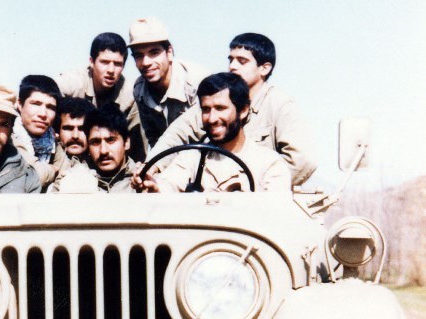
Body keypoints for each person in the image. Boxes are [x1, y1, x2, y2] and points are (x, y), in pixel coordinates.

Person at [145, 33, 316, 186]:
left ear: (264, 68)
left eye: (242, 61)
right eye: (231, 60)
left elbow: (302, 161)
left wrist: (260, 186)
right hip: (213, 194)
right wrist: (151, 168)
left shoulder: (280, 105)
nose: (233, 66)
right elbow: (176, 136)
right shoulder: (213, 104)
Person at [135, 73, 290, 194]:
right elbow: (168, 184)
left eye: (220, 108)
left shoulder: (270, 164)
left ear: (243, 111)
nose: (212, 118)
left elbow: (272, 213)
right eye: (206, 110)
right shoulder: (192, 158)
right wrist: (153, 186)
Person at [58, 32, 145, 161]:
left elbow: (136, 144)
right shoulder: (70, 84)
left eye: (117, 64)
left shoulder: (130, 95)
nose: (111, 70)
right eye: (104, 62)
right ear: (91, 62)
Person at [129, 16, 206, 149]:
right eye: (139, 55)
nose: (146, 62)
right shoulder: (139, 90)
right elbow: (153, 138)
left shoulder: (196, 83)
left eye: (154, 53)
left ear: (169, 52)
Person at [53, 104, 136, 193]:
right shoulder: (69, 179)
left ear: (126, 143)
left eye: (111, 140)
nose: (103, 151)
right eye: (96, 142)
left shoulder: (142, 179)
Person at [12, 74, 66, 191]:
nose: (43, 114)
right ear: (20, 104)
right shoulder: (9, 136)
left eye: (50, 107)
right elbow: (33, 178)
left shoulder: (51, 142)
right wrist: (53, 170)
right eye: (36, 104)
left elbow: (68, 176)